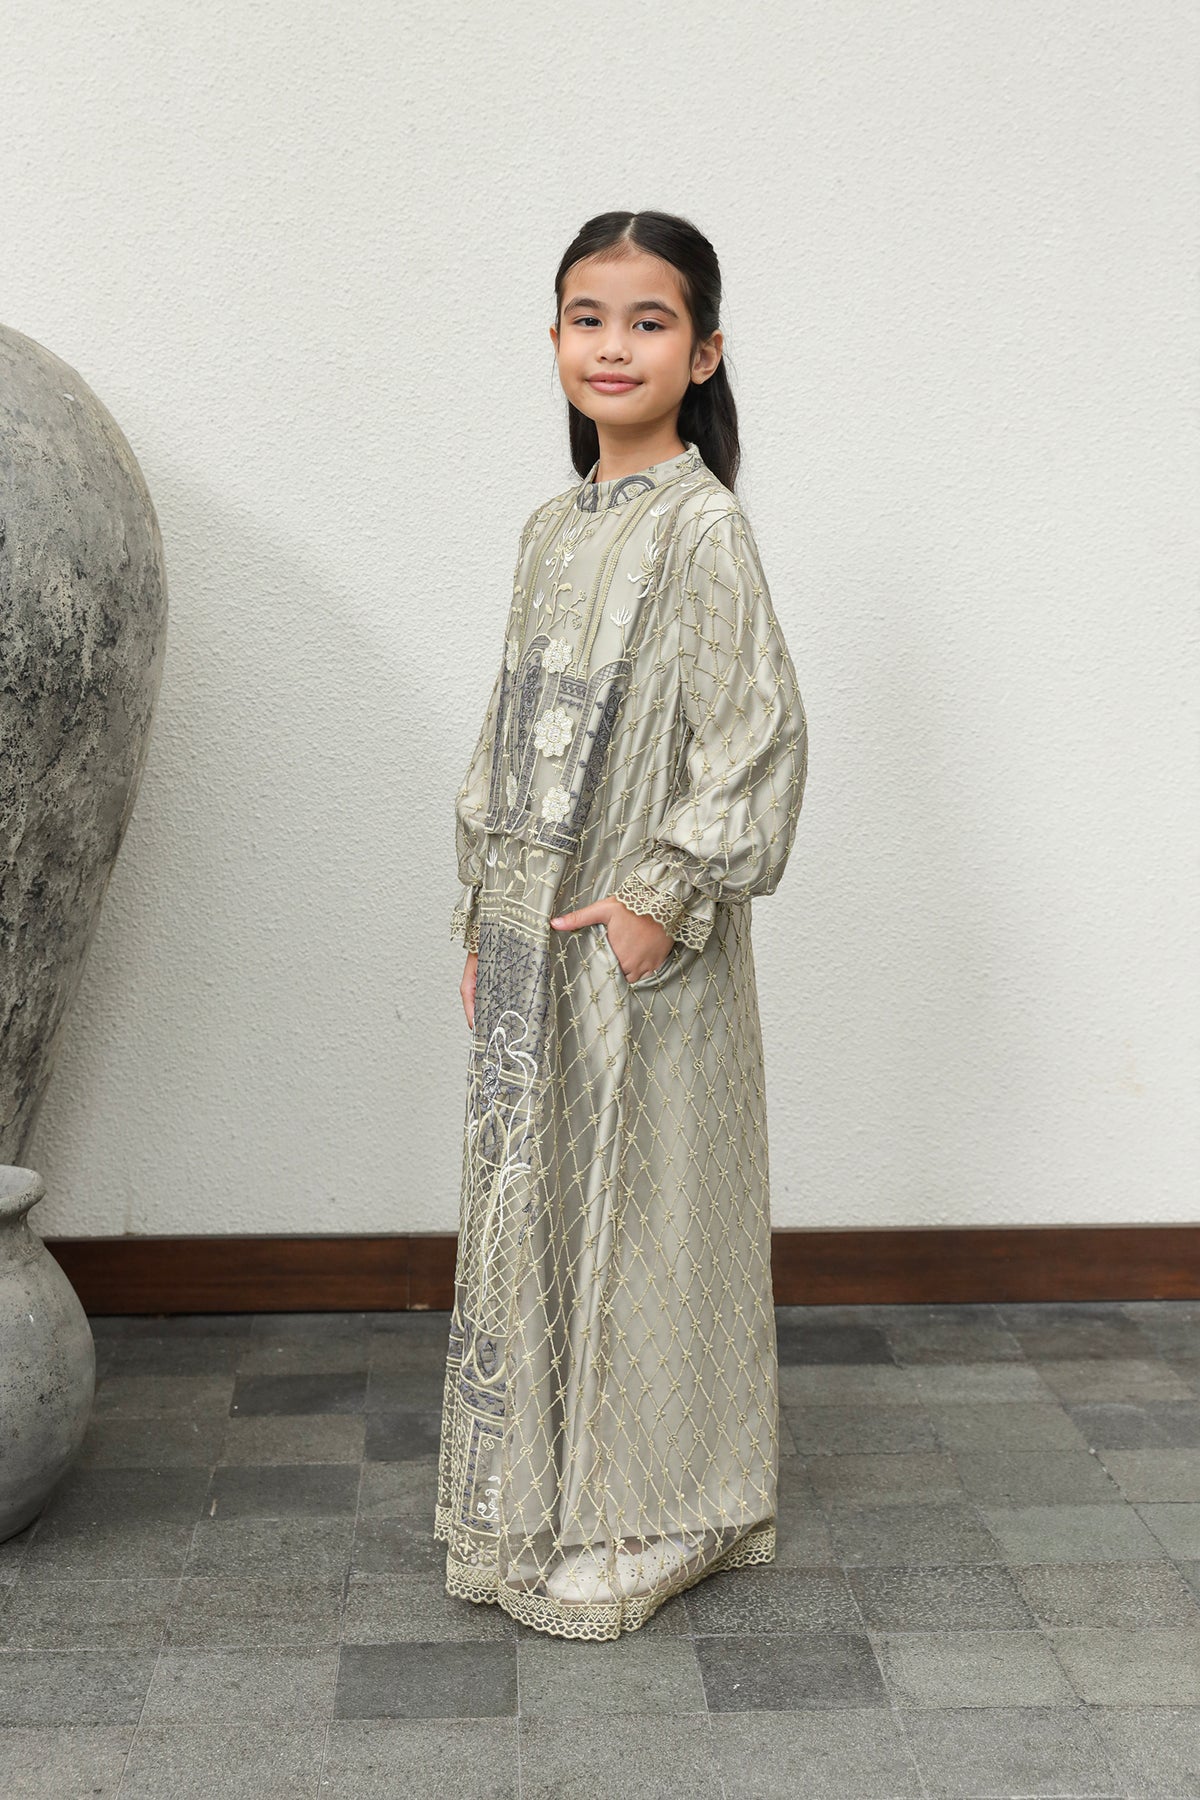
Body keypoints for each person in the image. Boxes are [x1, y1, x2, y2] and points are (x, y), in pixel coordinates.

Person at [434, 208, 809, 1640]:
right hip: (535, 932)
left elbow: (756, 735)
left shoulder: (704, 529)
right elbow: (507, 726)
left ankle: (669, 1506)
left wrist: (662, 896)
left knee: (652, 1203)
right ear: (553, 341)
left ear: (702, 352)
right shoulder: (552, 530)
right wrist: (486, 911)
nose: (614, 345)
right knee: (546, 1195)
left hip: (642, 942)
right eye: (588, 319)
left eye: (649, 321)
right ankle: (551, 1491)